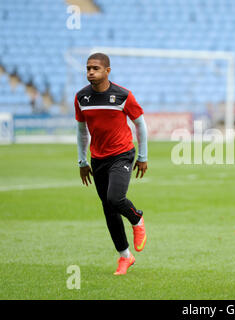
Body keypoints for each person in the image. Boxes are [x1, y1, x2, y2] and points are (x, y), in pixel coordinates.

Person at [75, 53, 149, 275]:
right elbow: (81, 131)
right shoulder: (81, 98)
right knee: (109, 210)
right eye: (88, 68)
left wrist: (142, 157)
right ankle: (125, 257)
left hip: (122, 154)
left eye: (95, 68)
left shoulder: (122, 95)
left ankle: (136, 218)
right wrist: (82, 160)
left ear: (107, 71)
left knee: (115, 198)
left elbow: (140, 125)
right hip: (98, 159)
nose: (90, 72)